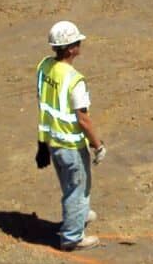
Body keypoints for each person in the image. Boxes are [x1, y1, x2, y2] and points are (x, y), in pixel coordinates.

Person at [35, 21, 107, 251]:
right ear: (70, 49)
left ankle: (80, 215)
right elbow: (83, 119)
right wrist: (98, 145)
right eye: (77, 42)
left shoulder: (45, 67)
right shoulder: (74, 79)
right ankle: (72, 237)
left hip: (52, 141)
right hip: (70, 144)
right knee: (78, 188)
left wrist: (41, 144)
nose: (79, 45)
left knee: (69, 184)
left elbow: (44, 104)